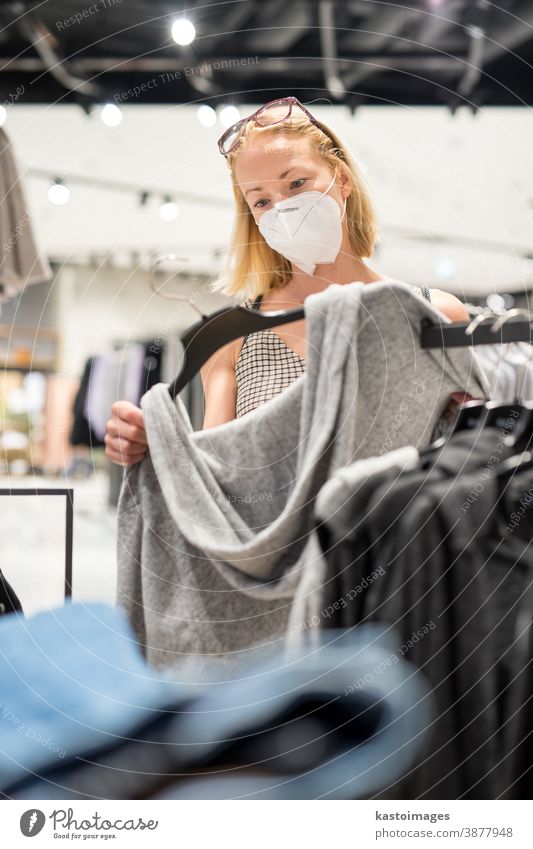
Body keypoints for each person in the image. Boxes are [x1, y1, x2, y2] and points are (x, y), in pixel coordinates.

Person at [105, 96, 468, 467]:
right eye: (261, 201)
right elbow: (215, 474)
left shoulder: (433, 315)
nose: (282, 209)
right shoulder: (231, 339)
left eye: (296, 183)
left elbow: (466, 463)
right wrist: (158, 448)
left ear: (341, 179)